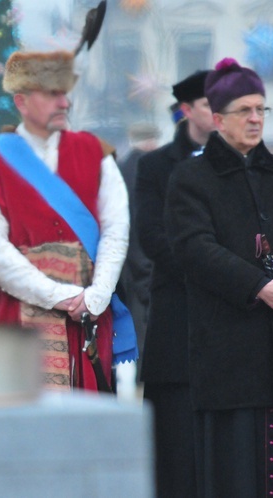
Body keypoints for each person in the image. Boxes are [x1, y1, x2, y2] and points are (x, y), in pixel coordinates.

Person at [165, 58, 273, 497]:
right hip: (228, 350)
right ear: (217, 119)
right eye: (244, 111)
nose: (255, 119)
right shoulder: (190, 179)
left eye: (261, 109)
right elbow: (195, 248)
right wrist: (259, 287)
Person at [0, 44, 136, 393]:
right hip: (20, 314)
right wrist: (55, 296)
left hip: (88, 314)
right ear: (21, 101)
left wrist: (96, 296)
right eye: (52, 94)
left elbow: (116, 228)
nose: (64, 103)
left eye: (65, 94)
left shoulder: (94, 150)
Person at [134, 69, 213, 498]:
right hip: (178, 317)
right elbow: (153, 238)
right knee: (176, 444)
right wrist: (221, 273)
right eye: (208, 105)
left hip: (230, 321)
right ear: (186, 111)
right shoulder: (155, 165)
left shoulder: (242, 163)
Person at [115, 122, 160, 397]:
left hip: (126, 264)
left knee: (134, 327)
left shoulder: (120, 169)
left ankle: (134, 380)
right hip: (152, 262)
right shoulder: (155, 169)